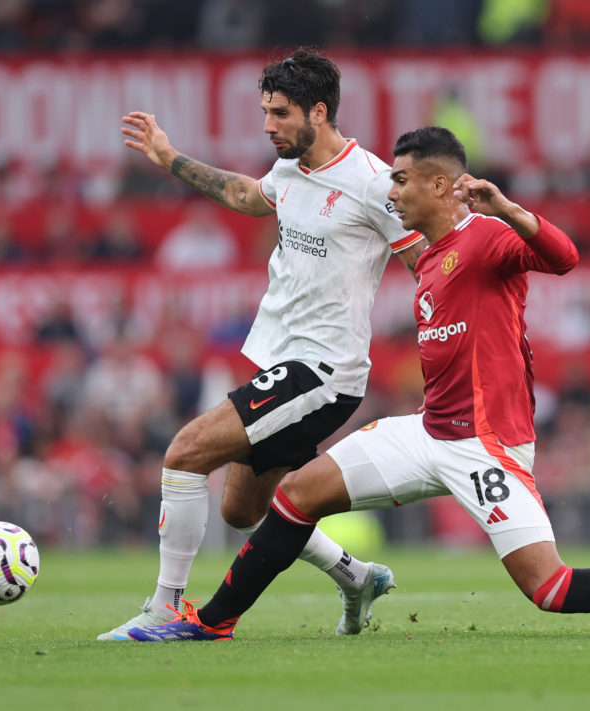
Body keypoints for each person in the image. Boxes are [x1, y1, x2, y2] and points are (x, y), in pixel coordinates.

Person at [125, 127, 590, 642]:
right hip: (426, 432)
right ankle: (210, 619)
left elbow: (564, 256)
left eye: (403, 179)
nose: (391, 190)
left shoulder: (486, 240)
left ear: (442, 186)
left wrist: (511, 208)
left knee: (549, 587)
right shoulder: (429, 259)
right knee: (296, 495)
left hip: (485, 446)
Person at [96, 47, 427, 641]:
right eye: (266, 112)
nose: (268, 125)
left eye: (279, 113)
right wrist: (171, 159)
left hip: (323, 370)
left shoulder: (374, 184)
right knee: (244, 510)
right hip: (283, 360)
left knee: (185, 452)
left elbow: (426, 262)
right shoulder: (289, 170)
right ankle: (356, 576)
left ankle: (166, 605)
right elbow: (251, 197)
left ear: (319, 112)